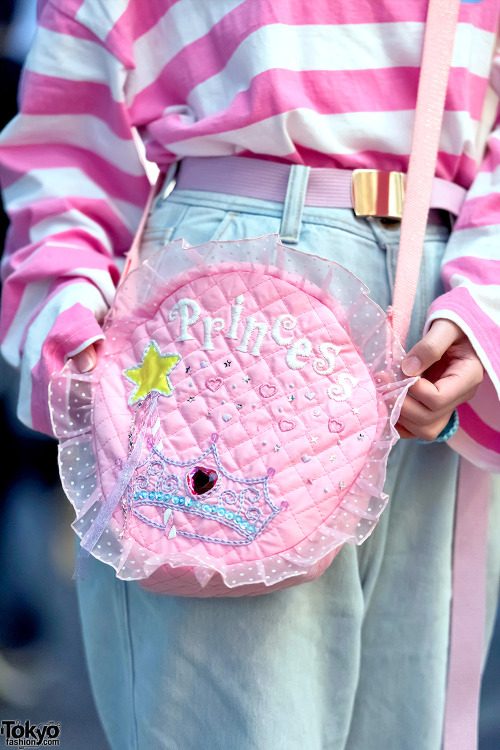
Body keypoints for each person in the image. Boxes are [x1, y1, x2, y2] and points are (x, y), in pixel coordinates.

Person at [0, 1, 499, 748]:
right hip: (220, 299)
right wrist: (77, 329)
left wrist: (485, 305)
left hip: (443, 304)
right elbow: (73, 123)